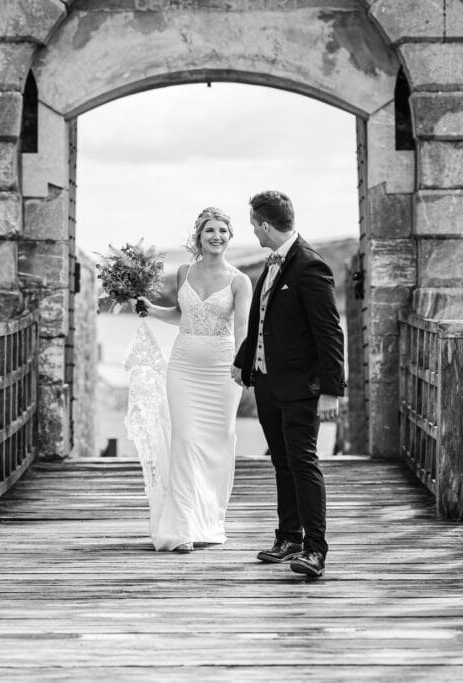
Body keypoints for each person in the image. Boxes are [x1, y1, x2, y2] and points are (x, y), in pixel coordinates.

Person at [231, 191, 345, 579]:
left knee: (303, 463)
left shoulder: (310, 266)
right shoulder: (273, 263)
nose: (252, 232)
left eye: (252, 224)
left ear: (264, 225)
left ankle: (315, 549)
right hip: (268, 384)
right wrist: (244, 363)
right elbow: (263, 322)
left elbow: (329, 332)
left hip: (301, 388)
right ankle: (288, 538)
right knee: (281, 463)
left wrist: (331, 389)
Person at [133, 207, 253, 552]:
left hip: (221, 372)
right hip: (183, 368)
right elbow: (180, 316)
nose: (217, 237)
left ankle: (209, 520)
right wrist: (149, 309)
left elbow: (243, 327)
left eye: (223, 232)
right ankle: (182, 527)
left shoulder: (239, 280)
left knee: (216, 445)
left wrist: (242, 365)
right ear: (198, 237)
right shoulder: (184, 271)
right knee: (184, 441)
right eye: (209, 231)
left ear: (230, 237)